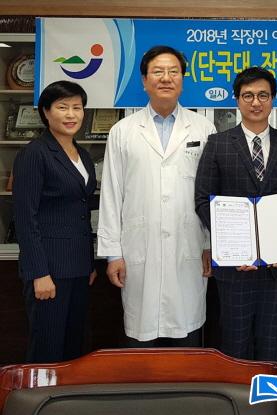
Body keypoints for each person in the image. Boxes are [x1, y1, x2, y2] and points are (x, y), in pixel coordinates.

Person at [97, 45, 216, 346]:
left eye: (173, 72)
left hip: (189, 247)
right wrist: (113, 253)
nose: (166, 78)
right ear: (144, 80)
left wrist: (210, 244)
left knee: (187, 338)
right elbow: (111, 194)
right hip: (139, 249)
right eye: (158, 72)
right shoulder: (122, 131)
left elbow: (211, 193)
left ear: (182, 79)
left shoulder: (203, 128)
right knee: (142, 339)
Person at [194, 66, 277, 361]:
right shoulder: (218, 143)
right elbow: (202, 200)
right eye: (248, 95)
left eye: (263, 95)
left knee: (270, 342)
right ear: (237, 100)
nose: (256, 102)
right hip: (235, 267)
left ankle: (265, 392)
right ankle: (238, 393)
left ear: (273, 99)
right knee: (235, 342)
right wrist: (233, 245)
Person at [13, 80, 97, 363]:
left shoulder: (83, 155)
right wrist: (39, 272)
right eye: (62, 107)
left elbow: (81, 211)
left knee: (74, 344)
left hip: (78, 267)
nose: (71, 114)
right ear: (46, 112)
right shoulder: (34, 153)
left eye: (77, 107)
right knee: (47, 347)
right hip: (49, 269)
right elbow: (25, 218)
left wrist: (88, 263)